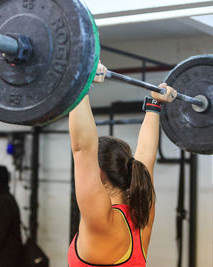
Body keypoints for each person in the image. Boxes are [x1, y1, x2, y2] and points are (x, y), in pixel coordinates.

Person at [68, 62, 177, 266]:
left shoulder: (102, 220)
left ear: (99, 173)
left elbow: (82, 150)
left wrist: (81, 83)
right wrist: (154, 107)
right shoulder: (141, 211)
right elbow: (145, 156)